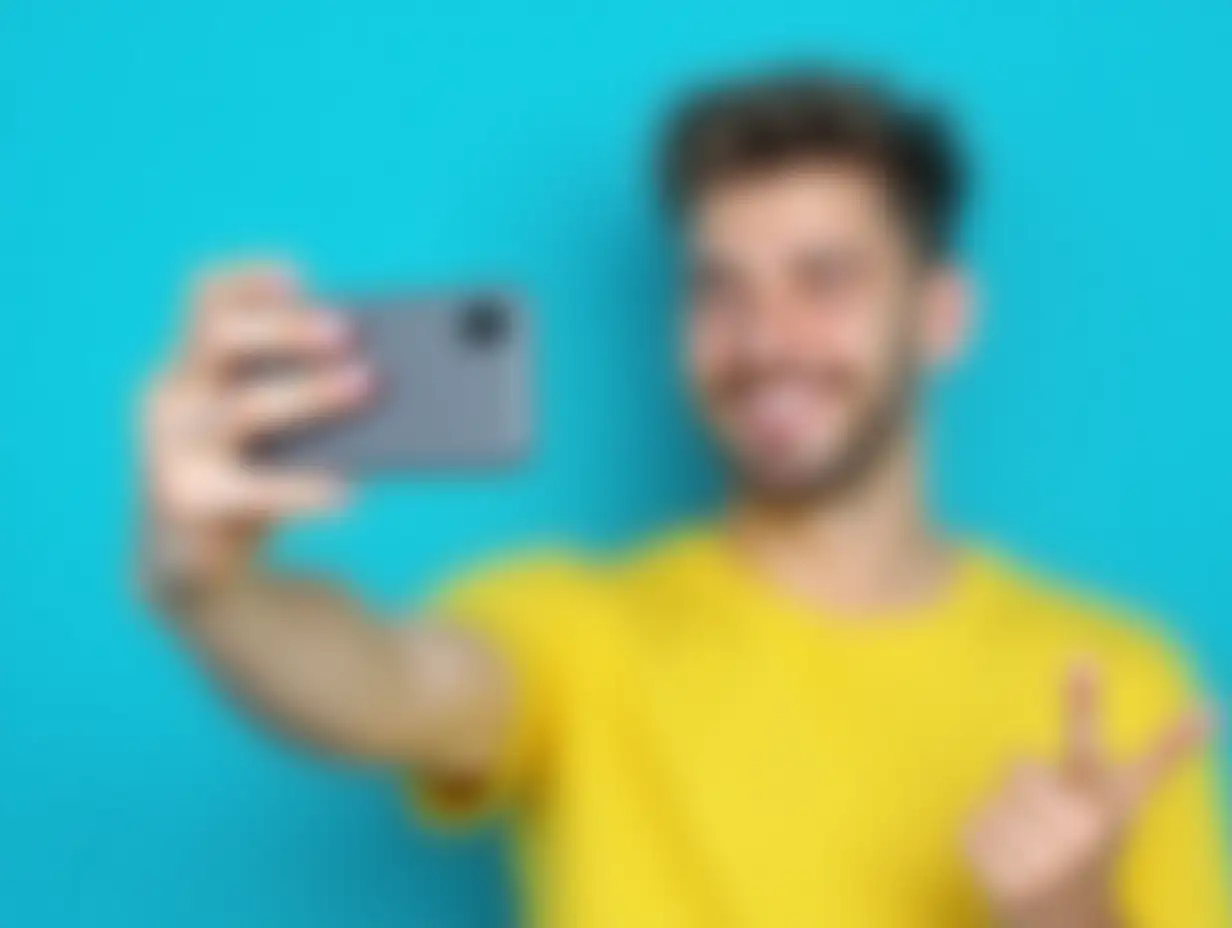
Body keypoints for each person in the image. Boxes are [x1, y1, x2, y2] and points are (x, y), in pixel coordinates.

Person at [139, 68, 1230, 926]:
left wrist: (1067, 917)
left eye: (824, 277)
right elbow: (389, 684)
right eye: (718, 286)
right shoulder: (578, 630)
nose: (762, 338)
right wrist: (209, 591)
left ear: (941, 316)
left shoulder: (1116, 681)